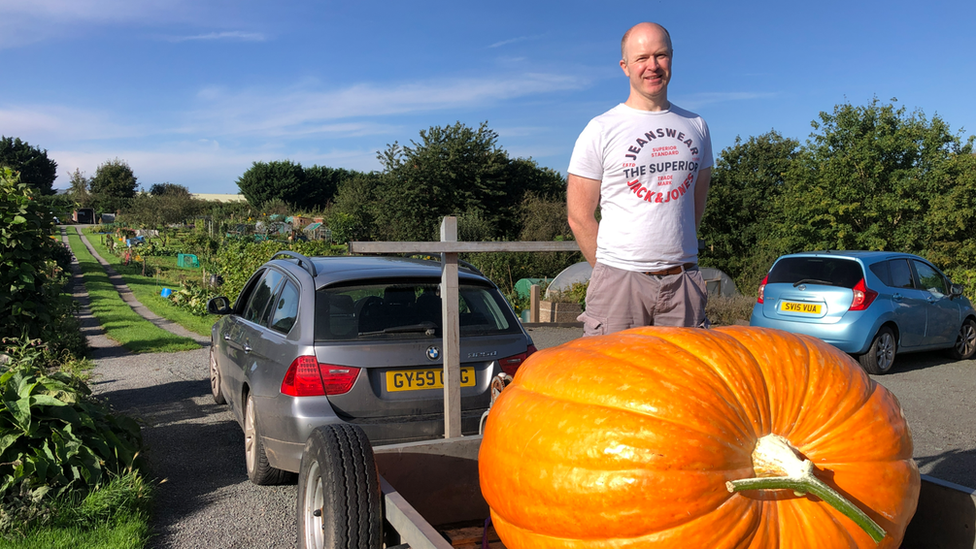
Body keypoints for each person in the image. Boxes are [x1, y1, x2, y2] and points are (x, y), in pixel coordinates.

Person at [567, 22, 713, 336]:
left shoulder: (697, 126)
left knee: (686, 382)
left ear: (672, 58)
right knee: (610, 382)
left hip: (682, 282)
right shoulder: (601, 128)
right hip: (619, 284)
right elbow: (579, 216)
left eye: (660, 56)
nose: (652, 66)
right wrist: (612, 269)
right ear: (625, 67)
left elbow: (694, 205)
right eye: (642, 58)